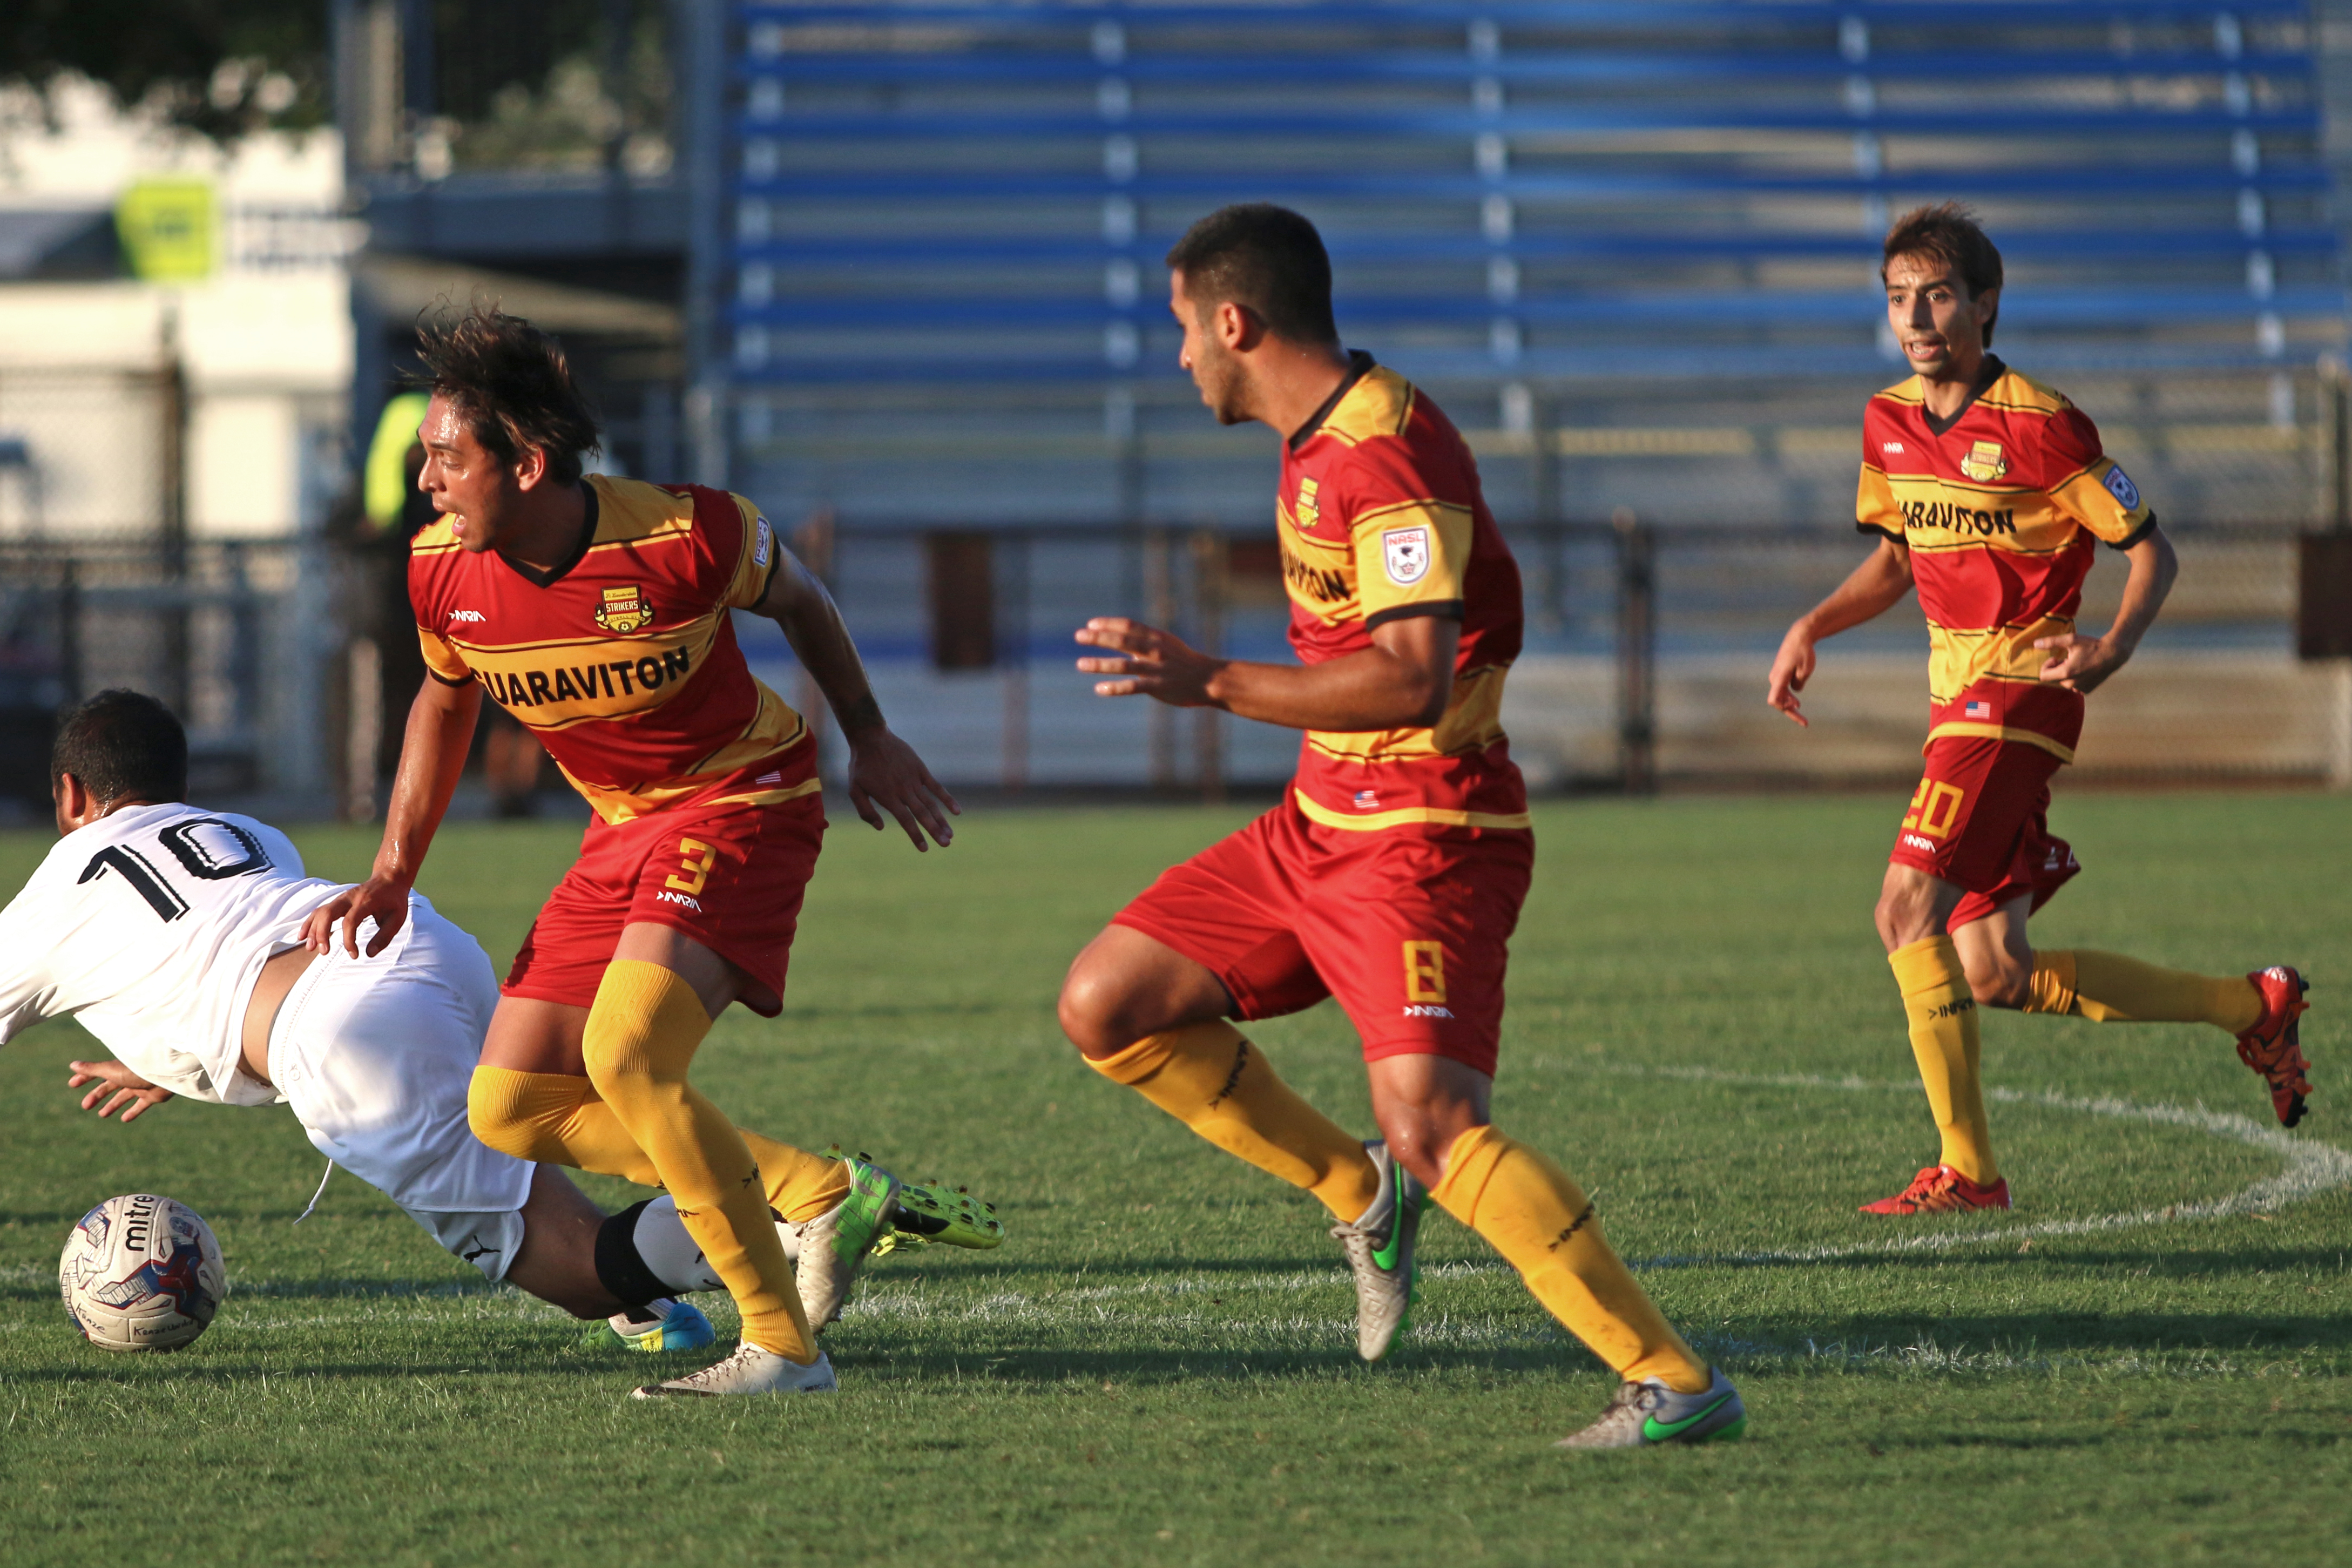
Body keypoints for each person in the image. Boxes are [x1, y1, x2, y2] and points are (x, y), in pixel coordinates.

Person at [1054, 204, 1744, 1449]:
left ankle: (1674, 1384)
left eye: (1180, 333)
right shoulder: (1323, 438)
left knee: (1440, 1127)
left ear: (1233, 321)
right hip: (1320, 818)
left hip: (1428, 833)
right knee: (1108, 1001)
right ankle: (1352, 1189)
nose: (1179, 363)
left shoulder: (1379, 458)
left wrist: (1208, 679)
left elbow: (1411, 677)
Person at [0, 691, 989, 1349]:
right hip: (418, 945)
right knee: (538, 1125)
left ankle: (791, 1213)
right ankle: (693, 1283)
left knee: (567, 1269)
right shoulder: (247, 835)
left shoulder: (43, 900)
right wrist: (174, 1060)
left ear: (68, 799)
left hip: (344, 1041)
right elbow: (236, 948)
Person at [302, 309, 967, 1400]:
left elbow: (801, 599)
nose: (425, 480)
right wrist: (392, 870)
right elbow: (442, 700)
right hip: (620, 828)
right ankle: (819, 1191)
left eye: (445, 457)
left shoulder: (685, 534)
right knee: (509, 1105)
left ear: (524, 462)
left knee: (626, 1057)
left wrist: (871, 732)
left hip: (742, 801)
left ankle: (785, 1350)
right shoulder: (438, 574)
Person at [1769, 204, 2312, 1215]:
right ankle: (2254, 1005)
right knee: (1993, 969)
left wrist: (2110, 648)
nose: (1916, 316)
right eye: (1898, 298)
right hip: (1954, 706)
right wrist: (1812, 625)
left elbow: (2152, 548)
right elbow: (1895, 559)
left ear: (1983, 303)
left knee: (1901, 910)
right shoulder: (1884, 422)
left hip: (2018, 691)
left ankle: (1967, 1173)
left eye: (1936, 294)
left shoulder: (2043, 422)